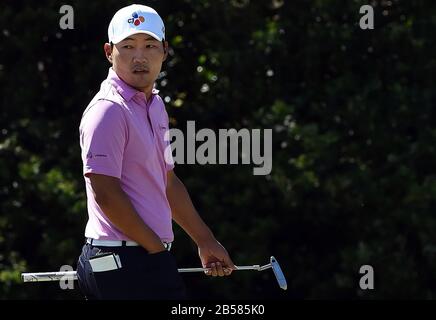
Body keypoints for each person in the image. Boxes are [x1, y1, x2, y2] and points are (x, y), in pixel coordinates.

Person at [76, 4, 235, 300]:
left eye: (149, 45)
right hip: (120, 262)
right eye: (128, 46)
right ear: (109, 52)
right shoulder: (108, 110)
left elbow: (167, 181)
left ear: (164, 50)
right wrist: (156, 250)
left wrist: (205, 240)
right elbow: (105, 193)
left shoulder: (155, 105)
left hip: (142, 258)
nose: (140, 56)